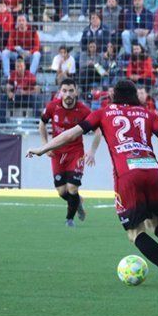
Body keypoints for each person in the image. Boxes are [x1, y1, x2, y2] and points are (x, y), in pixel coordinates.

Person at [27, 80, 158, 290]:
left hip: (128, 175)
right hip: (152, 171)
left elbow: (71, 134)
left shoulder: (104, 113)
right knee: (156, 224)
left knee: (135, 232)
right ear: (135, 95)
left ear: (114, 94)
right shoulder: (147, 114)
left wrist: (43, 148)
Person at [39, 79, 101, 226]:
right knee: (62, 191)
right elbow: (42, 123)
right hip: (57, 153)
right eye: (64, 91)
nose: (68, 94)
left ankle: (69, 219)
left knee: (72, 187)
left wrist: (92, 151)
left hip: (76, 152)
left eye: (71, 91)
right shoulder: (52, 107)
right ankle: (77, 201)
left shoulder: (83, 110)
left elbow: (98, 131)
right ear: (60, 92)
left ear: (76, 92)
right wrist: (45, 145)